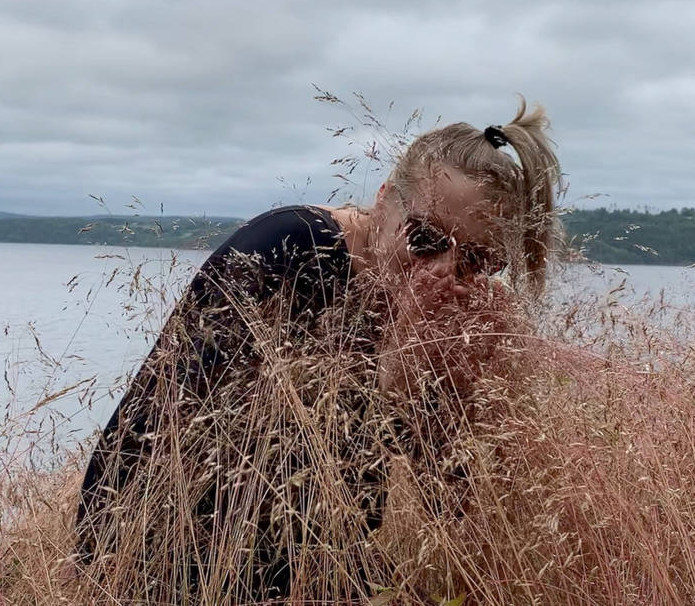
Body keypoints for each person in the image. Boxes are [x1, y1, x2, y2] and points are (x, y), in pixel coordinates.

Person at [76, 97, 561, 602]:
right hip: (155, 540)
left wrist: (463, 390)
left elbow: (448, 505)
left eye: (476, 260)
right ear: (385, 200)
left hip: (297, 549)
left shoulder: (442, 305)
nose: (441, 271)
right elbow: (254, 467)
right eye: (425, 238)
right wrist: (397, 372)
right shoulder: (290, 254)